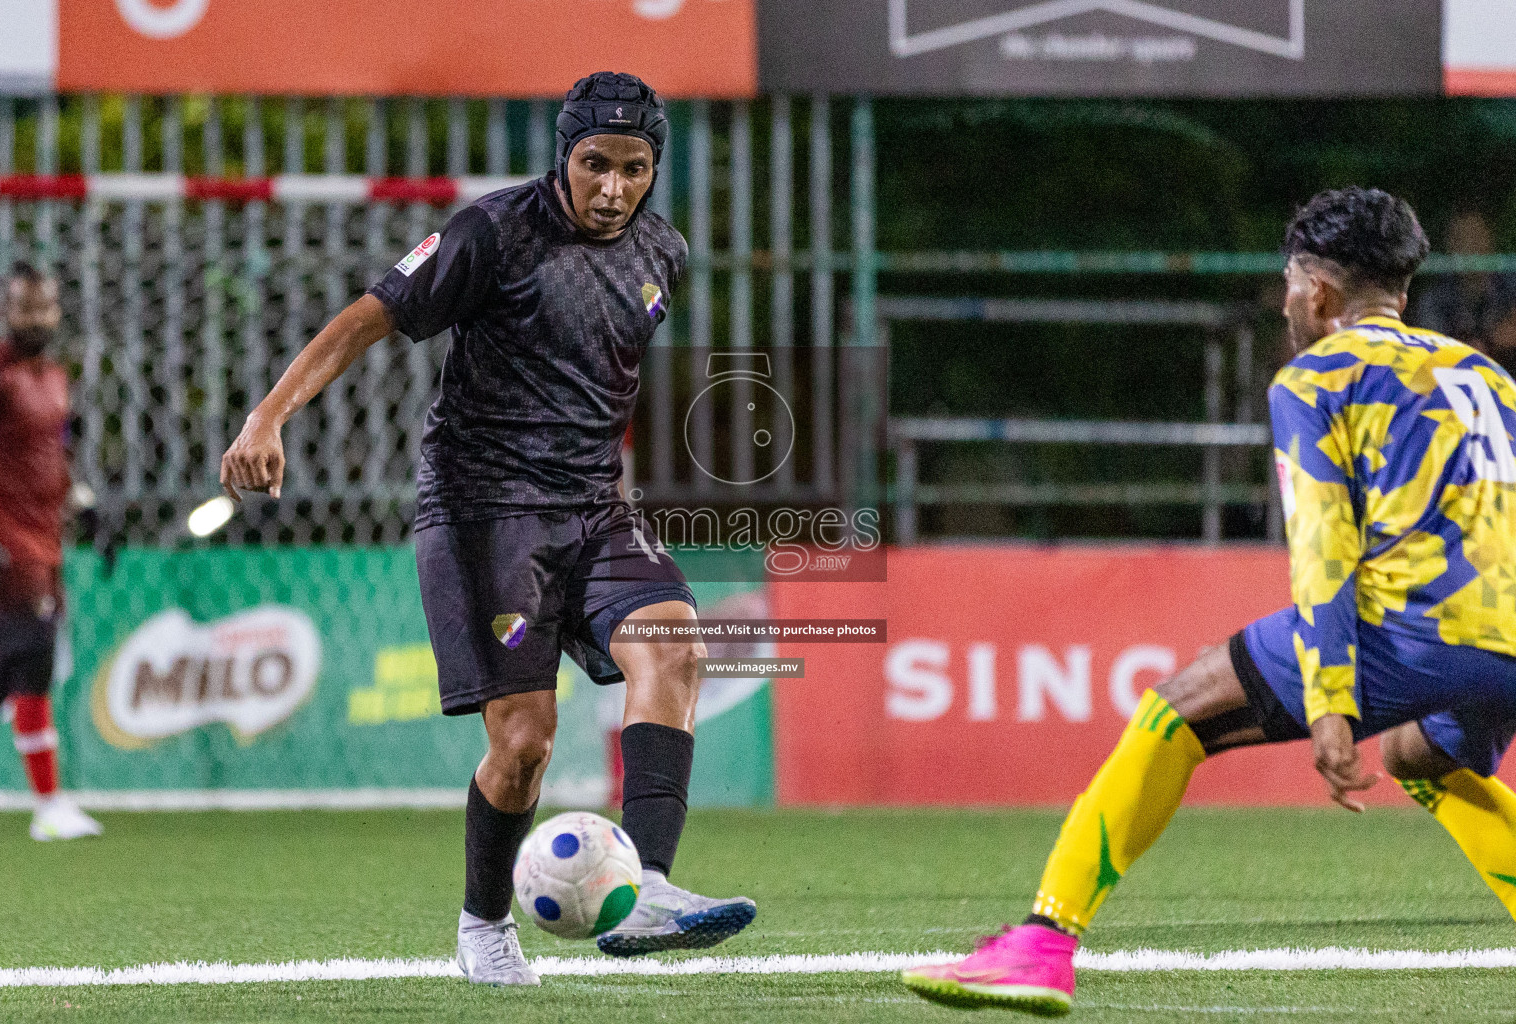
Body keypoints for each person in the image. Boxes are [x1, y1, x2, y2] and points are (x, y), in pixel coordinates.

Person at [903, 187, 1516, 1015]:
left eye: (1291, 282)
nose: (1288, 300)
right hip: (1507, 631)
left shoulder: (1316, 376)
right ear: (1400, 293)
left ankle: (1041, 943)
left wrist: (1332, 699)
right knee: (1417, 756)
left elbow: (1323, 548)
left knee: (1177, 708)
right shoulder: (1484, 374)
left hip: (1414, 627)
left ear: (1319, 292)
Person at [221, 71, 755, 986]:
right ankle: (483, 925)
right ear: (565, 157)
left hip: (595, 505)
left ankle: (653, 882)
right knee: (523, 746)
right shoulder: (493, 232)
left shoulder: (663, 254)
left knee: (676, 646)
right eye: (596, 165)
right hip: (483, 512)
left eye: (635, 168)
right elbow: (367, 319)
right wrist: (268, 416)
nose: (615, 187)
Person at [0, 263, 103, 843]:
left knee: (11, 671)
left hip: (45, 540)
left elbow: (57, 453)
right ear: (5, 310)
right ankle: (49, 804)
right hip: (3, 542)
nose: (36, 318)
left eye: (45, 307)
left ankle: (49, 805)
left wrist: (87, 505)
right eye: (25, 307)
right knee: (23, 661)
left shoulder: (55, 376)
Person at [1412, 210, 1516, 368]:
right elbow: (1434, 352)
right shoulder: (1435, 300)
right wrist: (1491, 342)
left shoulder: (1510, 286)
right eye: (1462, 238)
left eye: (1476, 236)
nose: (1471, 246)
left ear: (1490, 239)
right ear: (1450, 246)